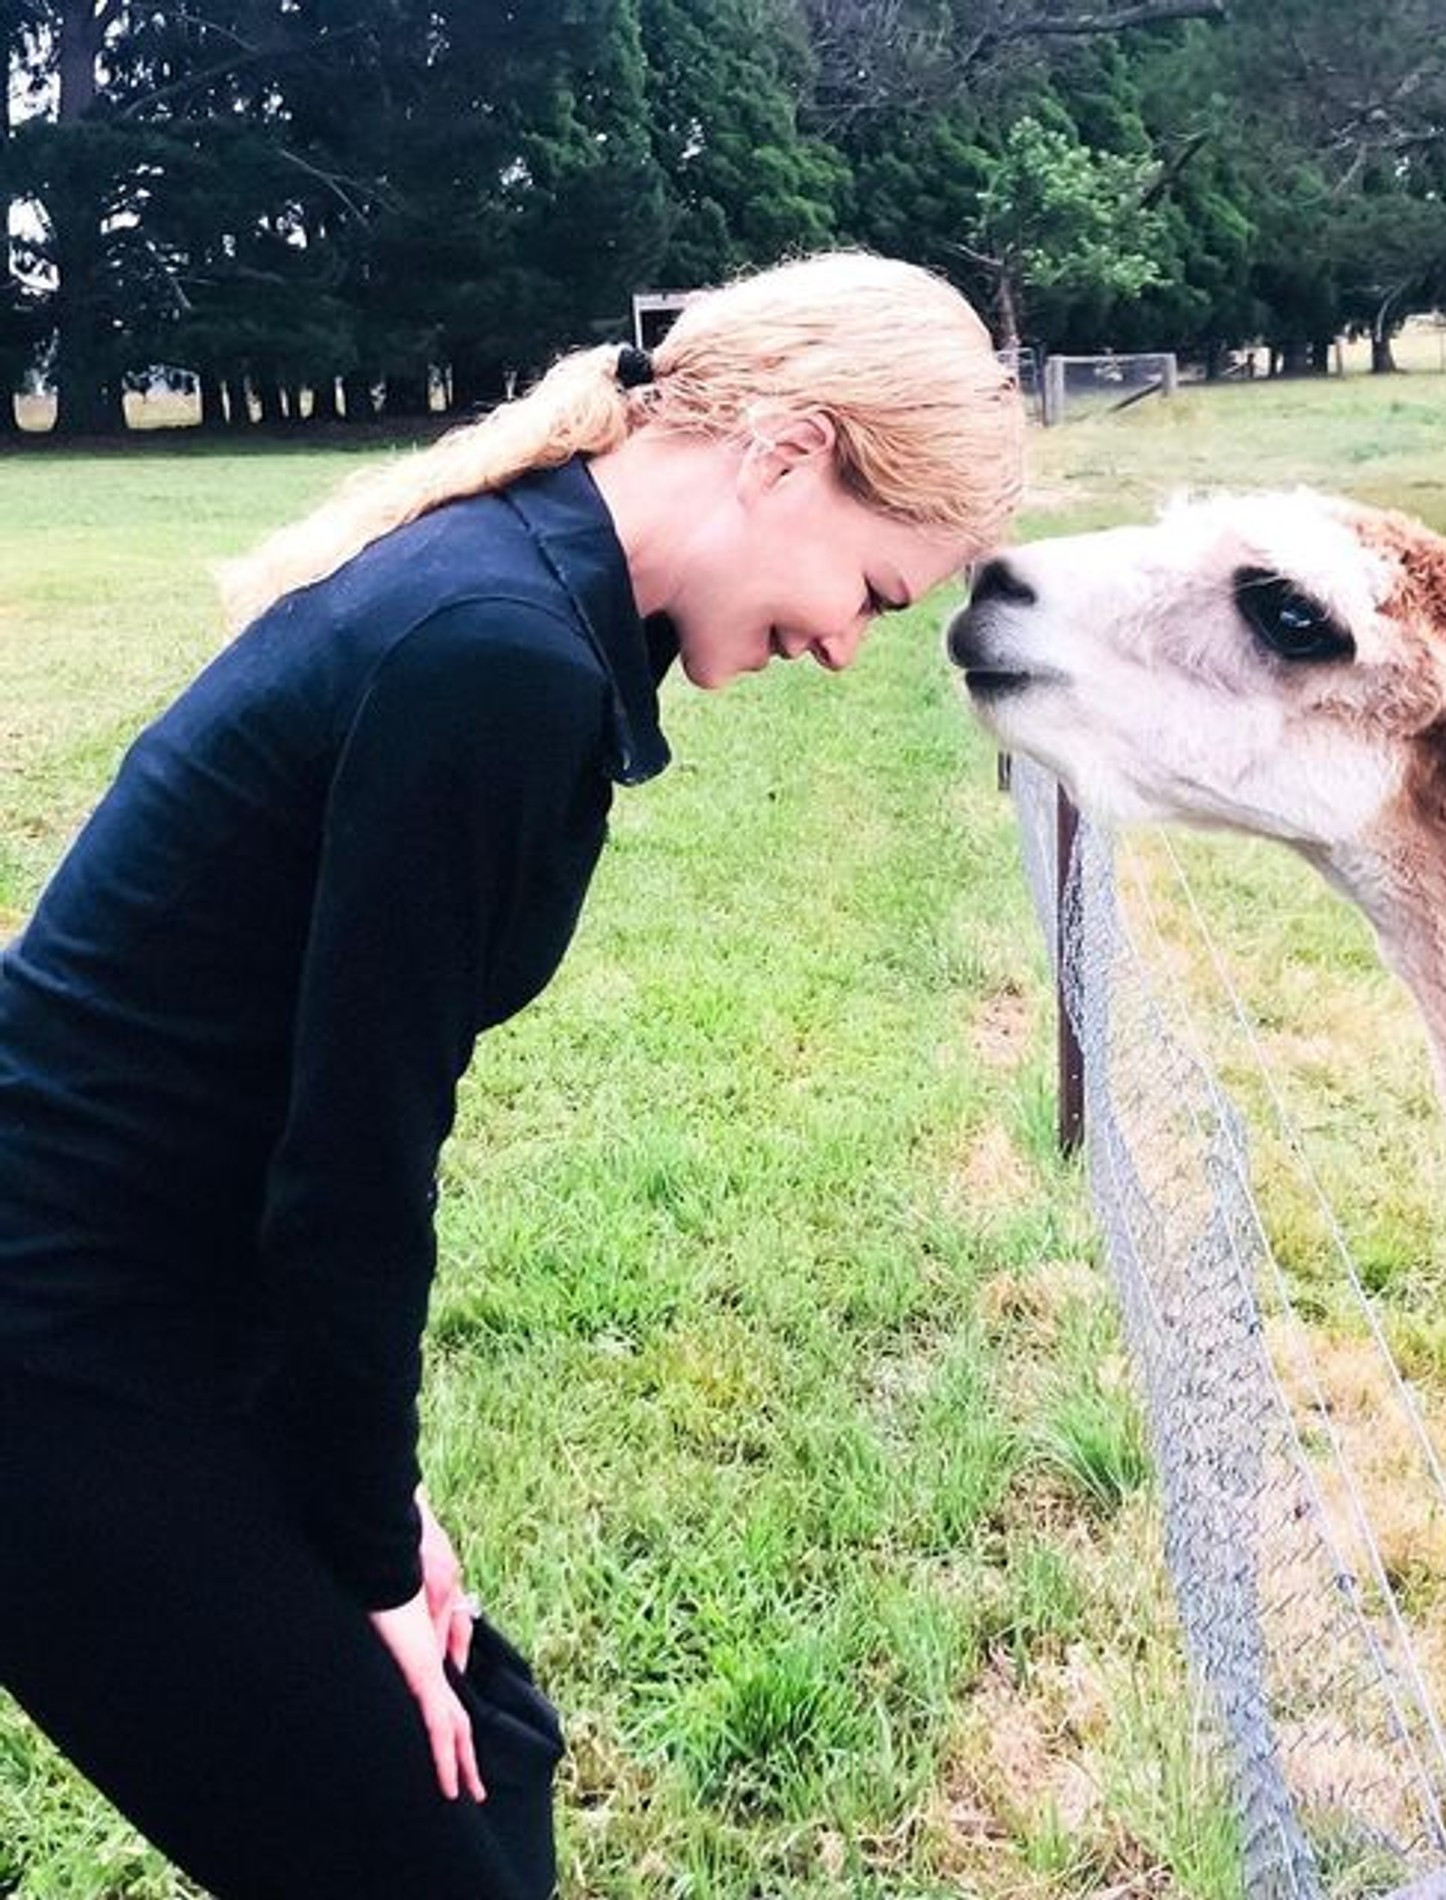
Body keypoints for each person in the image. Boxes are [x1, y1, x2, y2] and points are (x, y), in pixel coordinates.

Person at [0, 251, 1023, 1899]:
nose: (845, 647)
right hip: (57, 1351)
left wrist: (370, 1493)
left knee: (489, 1743)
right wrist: (362, 1542)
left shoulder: (510, 603)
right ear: (783, 454)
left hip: (165, 1304)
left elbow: (309, 1118)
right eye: (876, 593)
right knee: (430, 1853)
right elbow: (354, 1160)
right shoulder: (496, 657)